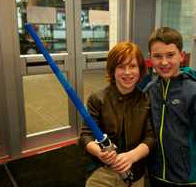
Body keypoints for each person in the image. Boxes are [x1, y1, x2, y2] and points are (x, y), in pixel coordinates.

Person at [79, 41, 155, 187]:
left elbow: (151, 138)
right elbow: (85, 136)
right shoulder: (97, 99)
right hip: (102, 172)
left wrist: (130, 157)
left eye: (132, 66)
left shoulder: (147, 100)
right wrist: (99, 153)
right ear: (112, 70)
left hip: (135, 172)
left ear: (140, 70)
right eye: (121, 66)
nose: (127, 72)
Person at [147, 27, 196, 186]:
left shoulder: (192, 91)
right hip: (156, 174)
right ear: (150, 58)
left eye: (170, 55)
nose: (164, 62)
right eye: (158, 56)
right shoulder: (150, 90)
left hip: (186, 178)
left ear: (181, 56)